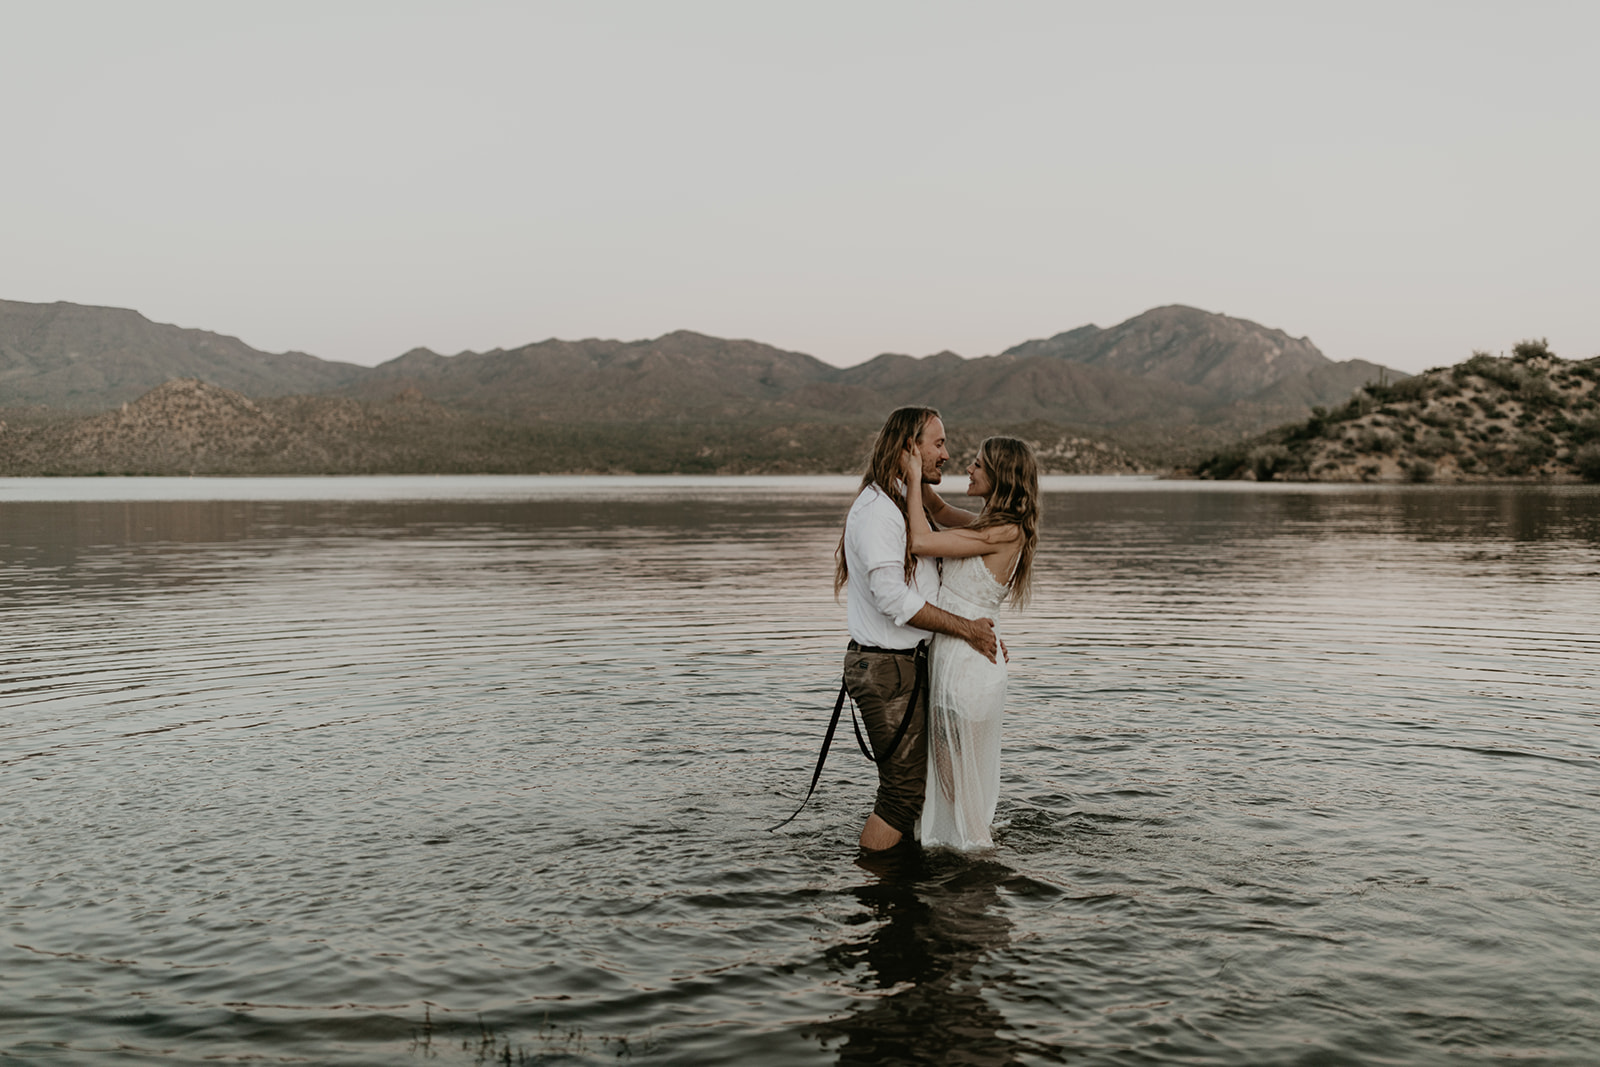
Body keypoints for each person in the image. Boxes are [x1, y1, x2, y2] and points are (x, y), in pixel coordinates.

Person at [837, 406, 1000, 852]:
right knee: (901, 795)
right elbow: (894, 600)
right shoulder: (878, 512)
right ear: (910, 447)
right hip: (888, 670)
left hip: (909, 666)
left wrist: (981, 626)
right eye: (939, 443)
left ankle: (910, 888)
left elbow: (941, 556)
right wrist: (966, 629)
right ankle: (872, 889)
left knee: (920, 787)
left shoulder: (902, 504)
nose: (947, 454)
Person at [900, 435, 1039, 850]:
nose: (968, 469)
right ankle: (970, 850)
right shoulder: (987, 525)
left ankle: (980, 859)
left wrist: (910, 478)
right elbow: (937, 510)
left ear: (999, 475)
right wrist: (916, 472)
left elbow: (920, 541)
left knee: (956, 781)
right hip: (963, 659)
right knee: (954, 778)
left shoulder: (1004, 530)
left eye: (978, 464)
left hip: (968, 667)